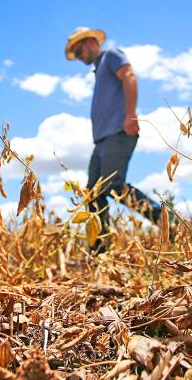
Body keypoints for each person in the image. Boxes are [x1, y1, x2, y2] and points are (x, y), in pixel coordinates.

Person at [64, 26, 165, 252]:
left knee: (113, 186)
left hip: (117, 132)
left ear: (91, 42)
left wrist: (130, 115)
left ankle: (169, 223)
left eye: (79, 52)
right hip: (101, 140)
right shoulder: (98, 69)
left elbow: (129, 75)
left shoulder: (111, 55)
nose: (79, 58)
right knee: (92, 193)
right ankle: (99, 250)